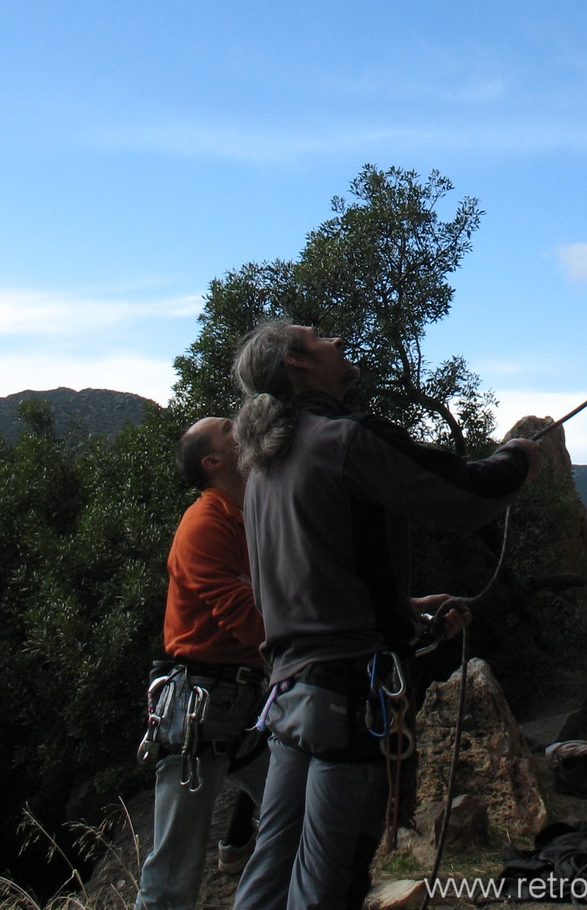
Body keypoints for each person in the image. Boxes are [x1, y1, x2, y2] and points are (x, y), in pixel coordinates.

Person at [229, 323, 541, 910]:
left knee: (270, 871)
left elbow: (307, 577)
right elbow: (463, 495)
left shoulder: (263, 466)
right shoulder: (342, 438)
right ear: (296, 361)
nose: (336, 339)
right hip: (347, 700)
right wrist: (519, 458)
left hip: (292, 694)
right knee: (329, 880)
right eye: (319, 336)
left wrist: (402, 610)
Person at [135, 418, 269, 910]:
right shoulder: (205, 523)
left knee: (295, 811)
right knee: (174, 868)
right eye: (229, 428)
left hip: (240, 699)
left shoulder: (248, 512)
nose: (241, 428)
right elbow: (244, 616)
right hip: (203, 703)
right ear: (213, 462)